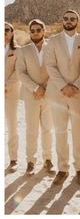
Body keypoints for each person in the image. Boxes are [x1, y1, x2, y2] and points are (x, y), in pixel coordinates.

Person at [45, 10, 80, 185]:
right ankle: (62, 169)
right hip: (58, 93)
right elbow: (50, 65)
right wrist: (64, 86)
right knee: (60, 132)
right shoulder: (53, 41)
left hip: (78, 94)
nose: (69, 21)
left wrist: (76, 85)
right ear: (62, 20)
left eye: (72, 19)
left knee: (79, 133)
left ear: (77, 21)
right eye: (66, 18)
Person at [16, 19, 53, 175]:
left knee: (48, 129)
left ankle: (48, 160)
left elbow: (56, 69)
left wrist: (46, 88)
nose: (36, 32)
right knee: (32, 130)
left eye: (38, 29)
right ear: (29, 32)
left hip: (49, 94)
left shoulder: (52, 47)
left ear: (44, 31)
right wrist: (36, 88)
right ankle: (31, 161)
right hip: (31, 95)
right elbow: (21, 73)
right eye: (33, 30)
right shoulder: (23, 51)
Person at [5, 22, 21, 171]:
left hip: (10, 92)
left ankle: (13, 158)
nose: (3, 32)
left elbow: (18, 72)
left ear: (12, 32)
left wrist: (5, 86)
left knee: (11, 125)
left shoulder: (17, 51)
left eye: (6, 30)